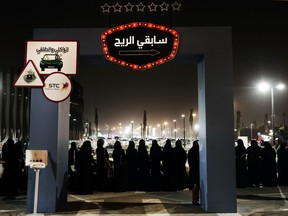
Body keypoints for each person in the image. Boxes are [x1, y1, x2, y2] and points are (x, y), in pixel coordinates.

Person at [188, 140, 200, 205]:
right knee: (197, 178)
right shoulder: (199, 151)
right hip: (197, 167)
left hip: (192, 167)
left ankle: (191, 186)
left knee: (192, 178)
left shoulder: (190, 151)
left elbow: (189, 159)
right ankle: (197, 186)